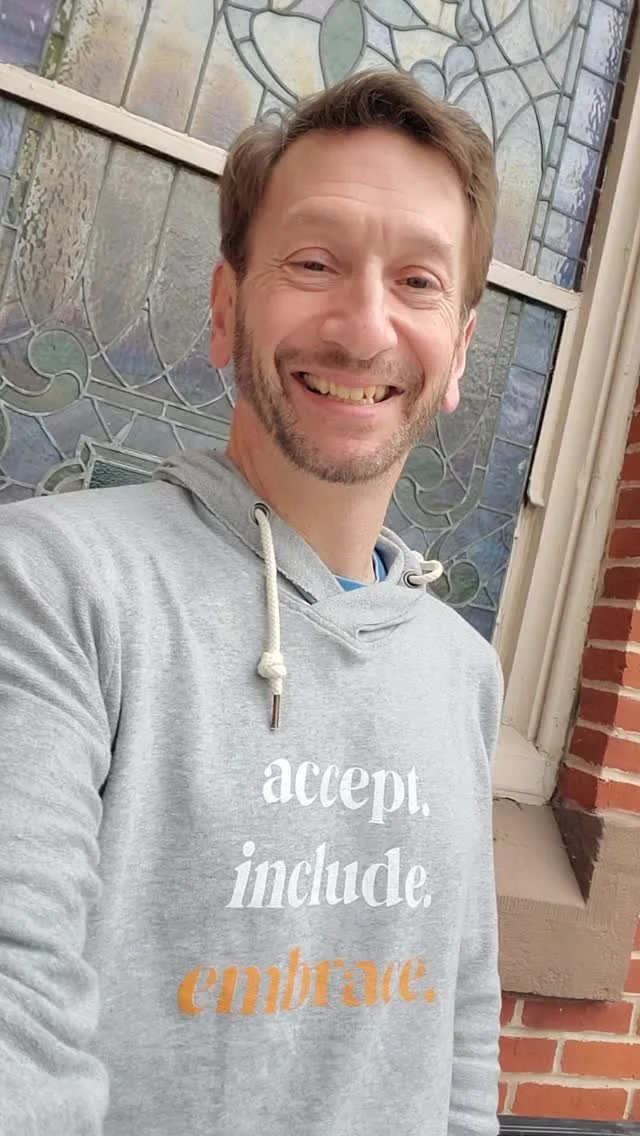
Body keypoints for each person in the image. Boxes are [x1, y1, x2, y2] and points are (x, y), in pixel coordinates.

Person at [0, 69, 503, 1136]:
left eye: (418, 281)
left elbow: (456, 1032)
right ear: (227, 308)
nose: (362, 328)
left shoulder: (464, 672)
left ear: (458, 350)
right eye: (313, 263)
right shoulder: (51, 586)